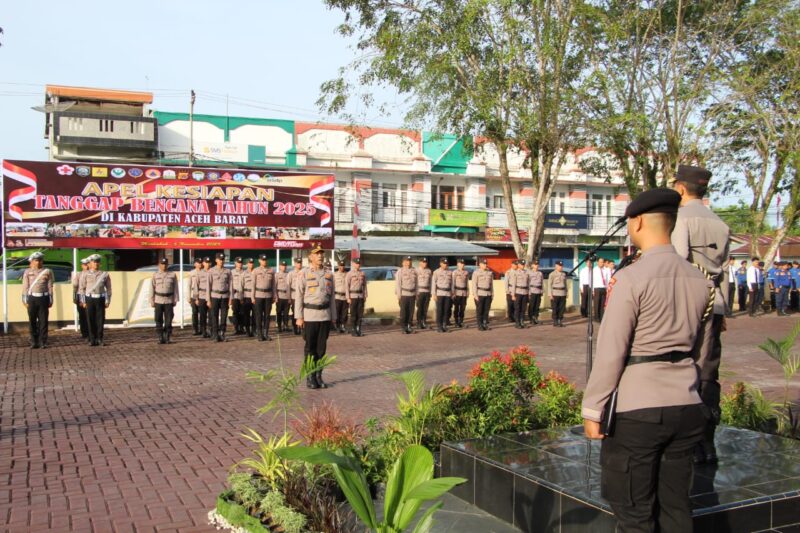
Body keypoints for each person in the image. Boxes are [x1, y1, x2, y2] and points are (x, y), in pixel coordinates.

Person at [582, 188, 713, 533]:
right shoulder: (700, 279)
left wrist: (593, 408)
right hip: (686, 403)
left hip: (638, 410)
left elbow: (612, 350)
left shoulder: (630, 278)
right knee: (676, 509)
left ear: (637, 221)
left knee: (634, 513)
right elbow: (699, 346)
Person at [671, 164, 730, 464]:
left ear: (680, 188)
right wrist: (725, 310)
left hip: (690, 304)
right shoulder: (720, 223)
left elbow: (679, 263)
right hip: (715, 302)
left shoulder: (681, 218)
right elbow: (725, 272)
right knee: (709, 371)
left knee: (685, 368)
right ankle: (707, 439)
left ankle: (689, 440)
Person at [295, 243, 336, 389]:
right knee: (310, 348)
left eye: (321, 253)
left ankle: (319, 375)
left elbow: (331, 297)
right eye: (316, 254)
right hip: (310, 316)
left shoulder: (329, 274)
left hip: (324, 315)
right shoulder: (304, 274)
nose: (320, 256)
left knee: (321, 349)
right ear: (310, 257)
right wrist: (299, 317)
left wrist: (333, 316)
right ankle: (310, 376)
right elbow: (299, 296)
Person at [21, 252, 54, 349]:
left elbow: (50, 286)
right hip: (32, 298)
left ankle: (43, 341)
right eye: (36, 260)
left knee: (43, 321)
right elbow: (25, 286)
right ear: (32, 262)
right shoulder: (27, 272)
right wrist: (24, 299)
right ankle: (33, 341)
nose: (38, 262)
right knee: (32, 321)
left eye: (40, 260)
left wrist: (51, 299)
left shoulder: (47, 271)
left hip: (43, 298)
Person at [80, 254, 111, 347]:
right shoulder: (85, 274)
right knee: (90, 319)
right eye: (94, 262)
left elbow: (109, 288)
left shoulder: (104, 274)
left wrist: (108, 300)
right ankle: (92, 339)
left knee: (100, 320)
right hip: (89, 299)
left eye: (97, 262)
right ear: (90, 263)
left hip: (100, 298)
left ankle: (100, 339)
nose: (96, 263)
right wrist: (83, 301)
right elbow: (82, 288)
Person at [151, 257, 178, 344]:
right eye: (162, 264)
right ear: (159, 265)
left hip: (169, 300)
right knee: (158, 319)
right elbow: (152, 288)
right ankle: (160, 336)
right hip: (158, 300)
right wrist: (152, 300)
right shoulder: (155, 275)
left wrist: (175, 299)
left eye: (165, 264)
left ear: (168, 265)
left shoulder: (172, 275)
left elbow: (175, 288)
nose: (164, 266)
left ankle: (167, 336)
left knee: (169, 320)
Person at [208, 252, 233, 342]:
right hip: (214, 296)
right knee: (214, 316)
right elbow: (208, 286)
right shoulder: (211, 271)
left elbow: (230, 285)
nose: (221, 261)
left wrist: (231, 298)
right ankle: (215, 334)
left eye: (222, 260)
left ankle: (222, 333)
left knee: (224, 316)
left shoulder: (228, 271)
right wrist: (208, 300)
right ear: (216, 260)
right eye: (219, 259)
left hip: (225, 296)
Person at [253, 254, 275, 341]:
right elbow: (253, 284)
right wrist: (252, 297)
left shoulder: (271, 270)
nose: (264, 261)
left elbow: (273, 284)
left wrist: (274, 295)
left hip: (268, 295)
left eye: (265, 260)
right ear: (259, 261)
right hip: (258, 295)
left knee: (267, 316)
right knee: (259, 315)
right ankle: (260, 334)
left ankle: (266, 333)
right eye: (262, 260)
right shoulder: (255, 271)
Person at [345, 257, 367, 336]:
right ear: (353, 264)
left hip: (360, 296)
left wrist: (365, 296)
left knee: (360, 314)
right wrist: (348, 297)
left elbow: (364, 286)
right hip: (353, 296)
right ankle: (353, 330)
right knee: (353, 314)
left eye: (359, 263)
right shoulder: (349, 274)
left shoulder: (362, 274)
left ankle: (358, 329)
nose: (358, 265)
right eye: (357, 263)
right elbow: (346, 286)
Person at [396, 256, 418, 334]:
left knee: (411, 312)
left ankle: (409, 326)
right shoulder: (400, 271)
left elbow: (416, 284)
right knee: (404, 312)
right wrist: (399, 295)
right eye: (406, 261)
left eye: (409, 261)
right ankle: (403, 327)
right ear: (403, 262)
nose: (408, 262)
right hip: (404, 294)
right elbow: (398, 284)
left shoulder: (414, 271)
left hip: (412, 294)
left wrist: (416, 294)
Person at [471, 258, 493, 331]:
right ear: (480, 264)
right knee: (480, 310)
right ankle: (479, 325)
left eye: (486, 264)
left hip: (488, 294)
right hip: (480, 293)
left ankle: (485, 324)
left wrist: (492, 293)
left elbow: (491, 284)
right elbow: (474, 284)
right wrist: (475, 295)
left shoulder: (490, 273)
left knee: (486, 310)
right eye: (484, 264)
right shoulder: (476, 273)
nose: (485, 265)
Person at [432, 258, 453, 333]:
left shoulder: (450, 272)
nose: (445, 265)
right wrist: (434, 294)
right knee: (440, 310)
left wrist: (452, 292)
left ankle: (444, 325)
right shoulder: (436, 272)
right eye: (444, 263)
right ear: (440, 263)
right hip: (440, 293)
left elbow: (452, 283)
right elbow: (433, 283)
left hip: (447, 293)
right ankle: (439, 326)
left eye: (446, 264)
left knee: (446, 310)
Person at [72, 257, 90, 339]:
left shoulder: (92, 273)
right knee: (82, 316)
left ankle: (91, 332)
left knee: (90, 315)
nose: (86, 266)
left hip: (90, 296)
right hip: (80, 296)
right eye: (85, 265)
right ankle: (84, 332)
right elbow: (75, 286)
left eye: (87, 264)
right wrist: (75, 296)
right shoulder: (79, 274)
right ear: (82, 266)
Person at [510, 259, 529, 329]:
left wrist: (528, 293)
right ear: (518, 265)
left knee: (523, 308)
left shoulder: (526, 273)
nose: (523, 266)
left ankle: (522, 321)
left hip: (525, 292)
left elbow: (528, 284)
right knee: (517, 308)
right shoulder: (515, 273)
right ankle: (517, 323)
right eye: (521, 264)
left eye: (523, 264)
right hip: (518, 292)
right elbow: (513, 284)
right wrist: (513, 294)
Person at [451, 258, 470, 328]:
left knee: (463, 308)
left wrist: (468, 291)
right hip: (457, 292)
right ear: (457, 264)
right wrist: (453, 293)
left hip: (464, 293)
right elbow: (452, 283)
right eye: (461, 263)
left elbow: (467, 282)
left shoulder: (466, 272)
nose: (462, 265)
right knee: (456, 308)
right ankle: (456, 321)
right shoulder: (455, 272)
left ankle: (461, 321)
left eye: (463, 264)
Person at [549, 261, 567, 327]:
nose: (561, 267)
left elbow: (565, 284)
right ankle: (555, 320)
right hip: (555, 293)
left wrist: (566, 292)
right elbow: (549, 285)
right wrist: (550, 294)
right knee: (555, 308)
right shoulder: (552, 274)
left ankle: (560, 320)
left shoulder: (564, 274)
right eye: (559, 266)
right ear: (556, 266)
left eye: (561, 266)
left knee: (561, 308)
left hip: (562, 293)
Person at [415, 257, 432, 329]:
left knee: (425, 308)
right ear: (420, 263)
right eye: (423, 262)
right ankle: (419, 322)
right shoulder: (416, 271)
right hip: (420, 291)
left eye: (425, 262)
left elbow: (431, 282)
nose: (424, 263)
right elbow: (414, 282)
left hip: (427, 291)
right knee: (420, 308)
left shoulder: (429, 271)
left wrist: (431, 292)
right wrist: (416, 292)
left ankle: (424, 322)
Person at [289, 257, 304, 335]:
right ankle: (295, 328)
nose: (299, 264)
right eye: (298, 263)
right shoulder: (291, 273)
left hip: (303, 296)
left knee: (303, 312)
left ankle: (302, 328)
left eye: (300, 263)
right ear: (295, 264)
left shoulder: (304, 272)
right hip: (294, 295)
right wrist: (289, 298)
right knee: (295, 312)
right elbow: (288, 286)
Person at [275, 260, 291, 332]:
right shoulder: (277, 275)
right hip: (279, 296)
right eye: (282, 266)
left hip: (286, 296)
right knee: (278, 312)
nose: (284, 267)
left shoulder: (288, 275)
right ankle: (279, 326)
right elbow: (274, 286)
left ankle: (286, 325)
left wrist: (289, 297)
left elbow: (290, 286)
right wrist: (275, 296)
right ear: (280, 266)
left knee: (286, 313)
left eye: (285, 266)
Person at [189, 258, 203, 335]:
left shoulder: (204, 272)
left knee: (202, 312)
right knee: (194, 312)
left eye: (201, 263)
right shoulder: (192, 273)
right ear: (195, 264)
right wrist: (188, 296)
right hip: (193, 294)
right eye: (198, 263)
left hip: (202, 294)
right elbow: (189, 285)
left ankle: (202, 328)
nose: (200, 264)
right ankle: (195, 329)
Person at [231, 257, 246, 334]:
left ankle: (242, 327)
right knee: (235, 312)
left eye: (241, 263)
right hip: (235, 295)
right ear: (235, 263)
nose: (240, 264)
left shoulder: (245, 272)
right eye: (238, 262)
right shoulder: (232, 272)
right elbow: (230, 284)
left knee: (243, 312)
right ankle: (236, 328)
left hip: (243, 295)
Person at [333, 260, 349, 333]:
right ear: (338, 266)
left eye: (343, 265)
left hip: (345, 296)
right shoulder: (335, 275)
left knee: (344, 313)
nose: (342, 267)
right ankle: (338, 326)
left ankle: (343, 326)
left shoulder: (347, 274)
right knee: (337, 312)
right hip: (337, 296)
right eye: (340, 265)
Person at [241, 258, 256, 337]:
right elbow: (241, 286)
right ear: (247, 264)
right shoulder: (244, 273)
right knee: (246, 314)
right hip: (246, 295)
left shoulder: (256, 272)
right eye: (249, 263)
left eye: (252, 263)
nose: (251, 264)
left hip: (255, 296)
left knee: (255, 314)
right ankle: (247, 330)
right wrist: (241, 297)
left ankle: (254, 330)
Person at [527, 260, 544, 325]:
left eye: (537, 265)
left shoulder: (540, 273)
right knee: (532, 306)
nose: (536, 266)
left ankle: (536, 318)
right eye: (535, 265)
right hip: (532, 291)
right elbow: (528, 283)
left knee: (537, 306)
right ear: (532, 266)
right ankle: (531, 318)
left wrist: (542, 291)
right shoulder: (529, 273)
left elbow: (542, 283)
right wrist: (529, 292)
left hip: (538, 291)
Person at [592, 258, 609, 322]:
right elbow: (591, 280)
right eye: (600, 262)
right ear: (597, 262)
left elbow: (607, 280)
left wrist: (607, 288)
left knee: (602, 303)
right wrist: (592, 290)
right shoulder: (594, 270)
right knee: (597, 303)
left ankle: (602, 317)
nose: (602, 263)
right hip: (597, 288)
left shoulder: (605, 270)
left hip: (603, 288)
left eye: (602, 262)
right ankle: (596, 317)